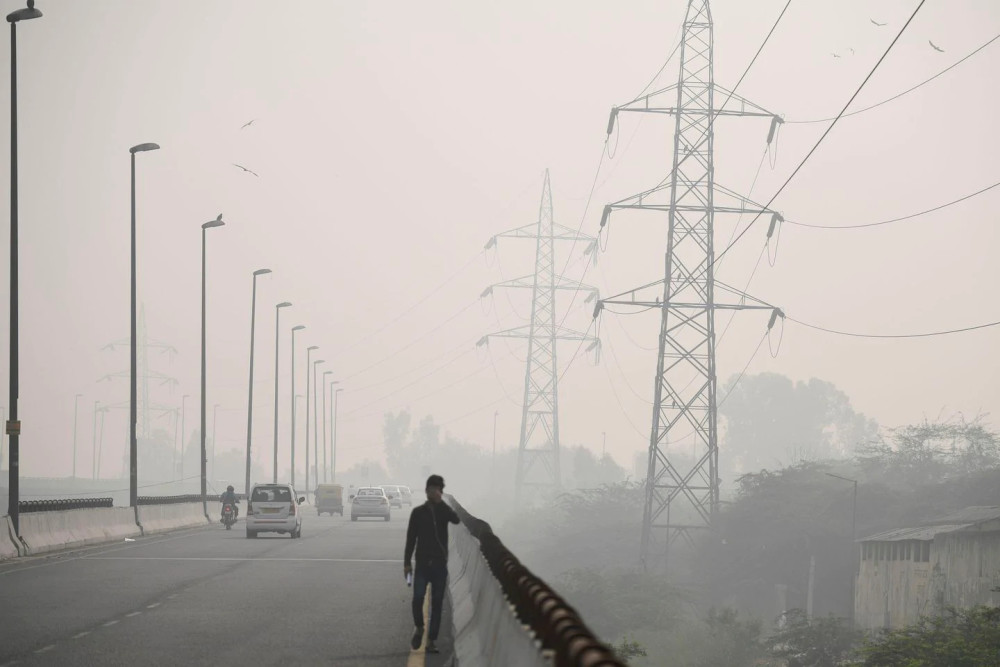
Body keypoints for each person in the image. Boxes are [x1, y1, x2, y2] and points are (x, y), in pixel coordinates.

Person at [404, 474, 459, 654]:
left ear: (440, 492)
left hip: (439, 566)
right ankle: (419, 627)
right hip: (421, 565)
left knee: (436, 603)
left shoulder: (444, 511)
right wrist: (407, 564)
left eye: (435, 489)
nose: (430, 492)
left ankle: (431, 640)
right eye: (429, 489)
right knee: (417, 599)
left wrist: (441, 504)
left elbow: (456, 519)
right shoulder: (418, 513)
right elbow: (411, 539)